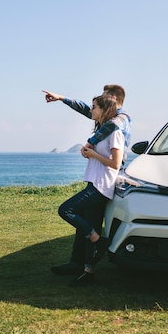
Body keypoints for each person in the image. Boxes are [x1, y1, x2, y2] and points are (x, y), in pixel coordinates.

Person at [54, 95, 126, 287]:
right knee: (90, 223)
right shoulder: (100, 131)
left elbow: (115, 163)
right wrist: (89, 155)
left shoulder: (114, 132)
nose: (91, 110)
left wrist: (93, 154)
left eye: (94, 107)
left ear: (104, 110)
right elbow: (100, 158)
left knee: (66, 210)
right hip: (93, 183)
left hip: (102, 187)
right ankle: (88, 272)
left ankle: (98, 240)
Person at [42, 84, 132, 165]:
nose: (101, 99)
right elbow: (84, 108)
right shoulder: (106, 116)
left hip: (113, 170)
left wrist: (91, 142)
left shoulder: (122, 118)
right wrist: (61, 98)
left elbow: (112, 125)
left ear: (113, 98)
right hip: (101, 165)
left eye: (104, 96)